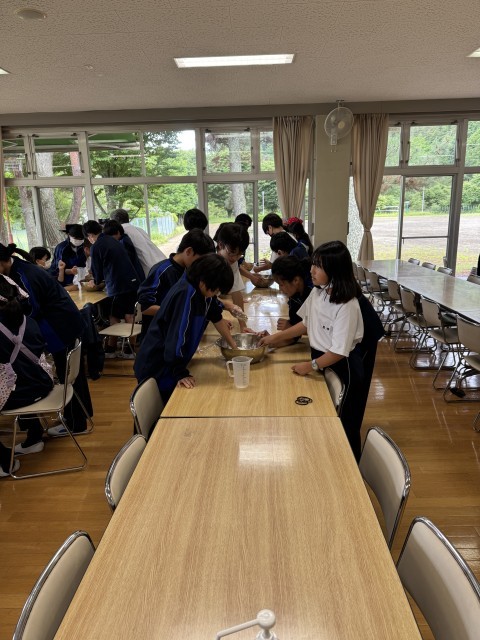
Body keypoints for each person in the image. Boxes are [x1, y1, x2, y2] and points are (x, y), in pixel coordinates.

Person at [259, 241, 364, 461]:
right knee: (324, 413)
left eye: (318, 266)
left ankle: (350, 465)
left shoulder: (348, 305)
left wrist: (311, 366)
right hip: (320, 358)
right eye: (313, 264)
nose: (311, 271)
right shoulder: (319, 292)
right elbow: (306, 323)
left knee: (345, 422)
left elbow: (339, 351)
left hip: (341, 365)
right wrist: (272, 338)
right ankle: (324, 457)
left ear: (334, 270)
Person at [0, 243, 93, 437]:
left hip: (59, 327)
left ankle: (76, 424)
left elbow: (32, 308)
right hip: (63, 323)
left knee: (68, 375)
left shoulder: (23, 274)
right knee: (70, 376)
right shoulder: (19, 268)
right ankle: (77, 418)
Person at [134, 254, 236, 404]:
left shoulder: (203, 291)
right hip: (158, 364)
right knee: (166, 408)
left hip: (170, 362)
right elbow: (177, 338)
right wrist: (180, 373)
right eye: (216, 290)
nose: (216, 294)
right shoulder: (186, 295)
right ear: (204, 281)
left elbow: (216, 317)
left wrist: (235, 348)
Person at [0, 274, 55, 472]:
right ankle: (34, 438)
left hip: (23, 393)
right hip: (43, 383)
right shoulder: (29, 321)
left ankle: (4, 462)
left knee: (13, 381)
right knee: (18, 375)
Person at [138, 229, 215, 336]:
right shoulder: (161, 270)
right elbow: (146, 308)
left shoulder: (189, 271)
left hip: (175, 334)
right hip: (157, 335)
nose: (201, 266)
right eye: (200, 261)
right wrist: (180, 311)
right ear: (188, 251)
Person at [83, 220, 140, 358]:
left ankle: (110, 349)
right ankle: (129, 349)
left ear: (90, 235)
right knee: (130, 315)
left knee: (113, 315)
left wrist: (94, 281)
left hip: (118, 285)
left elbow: (97, 272)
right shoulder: (113, 240)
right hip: (132, 281)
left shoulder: (97, 246)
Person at [268, 255, 313, 346]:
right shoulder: (294, 296)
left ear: (296, 280)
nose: (280, 289)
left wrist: (291, 328)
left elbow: (323, 330)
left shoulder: (314, 294)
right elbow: (294, 337)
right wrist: (269, 341)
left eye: (281, 284)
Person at [215, 222, 250, 330]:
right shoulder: (207, 261)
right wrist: (226, 305)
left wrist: (243, 325)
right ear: (220, 245)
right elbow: (202, 297)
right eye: (231, 253)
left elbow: (236, 292)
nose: (234, 258)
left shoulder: (232, 262)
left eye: (239, 254)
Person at [111, 208, 166, 275]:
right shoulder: (139, 229)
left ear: (116, 220)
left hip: (150, 270)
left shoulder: (121, 233)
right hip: (163, 262)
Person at [51, 224, 87, 290]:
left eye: (81, 239)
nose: (79, 240)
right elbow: (58, 269)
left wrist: (80, 271)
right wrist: (70, 271)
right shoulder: (62, 248)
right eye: (76, 238)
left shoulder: (81, 247)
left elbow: (82, 264)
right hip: (63, 282)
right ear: (69, 235)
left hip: (76, 280)